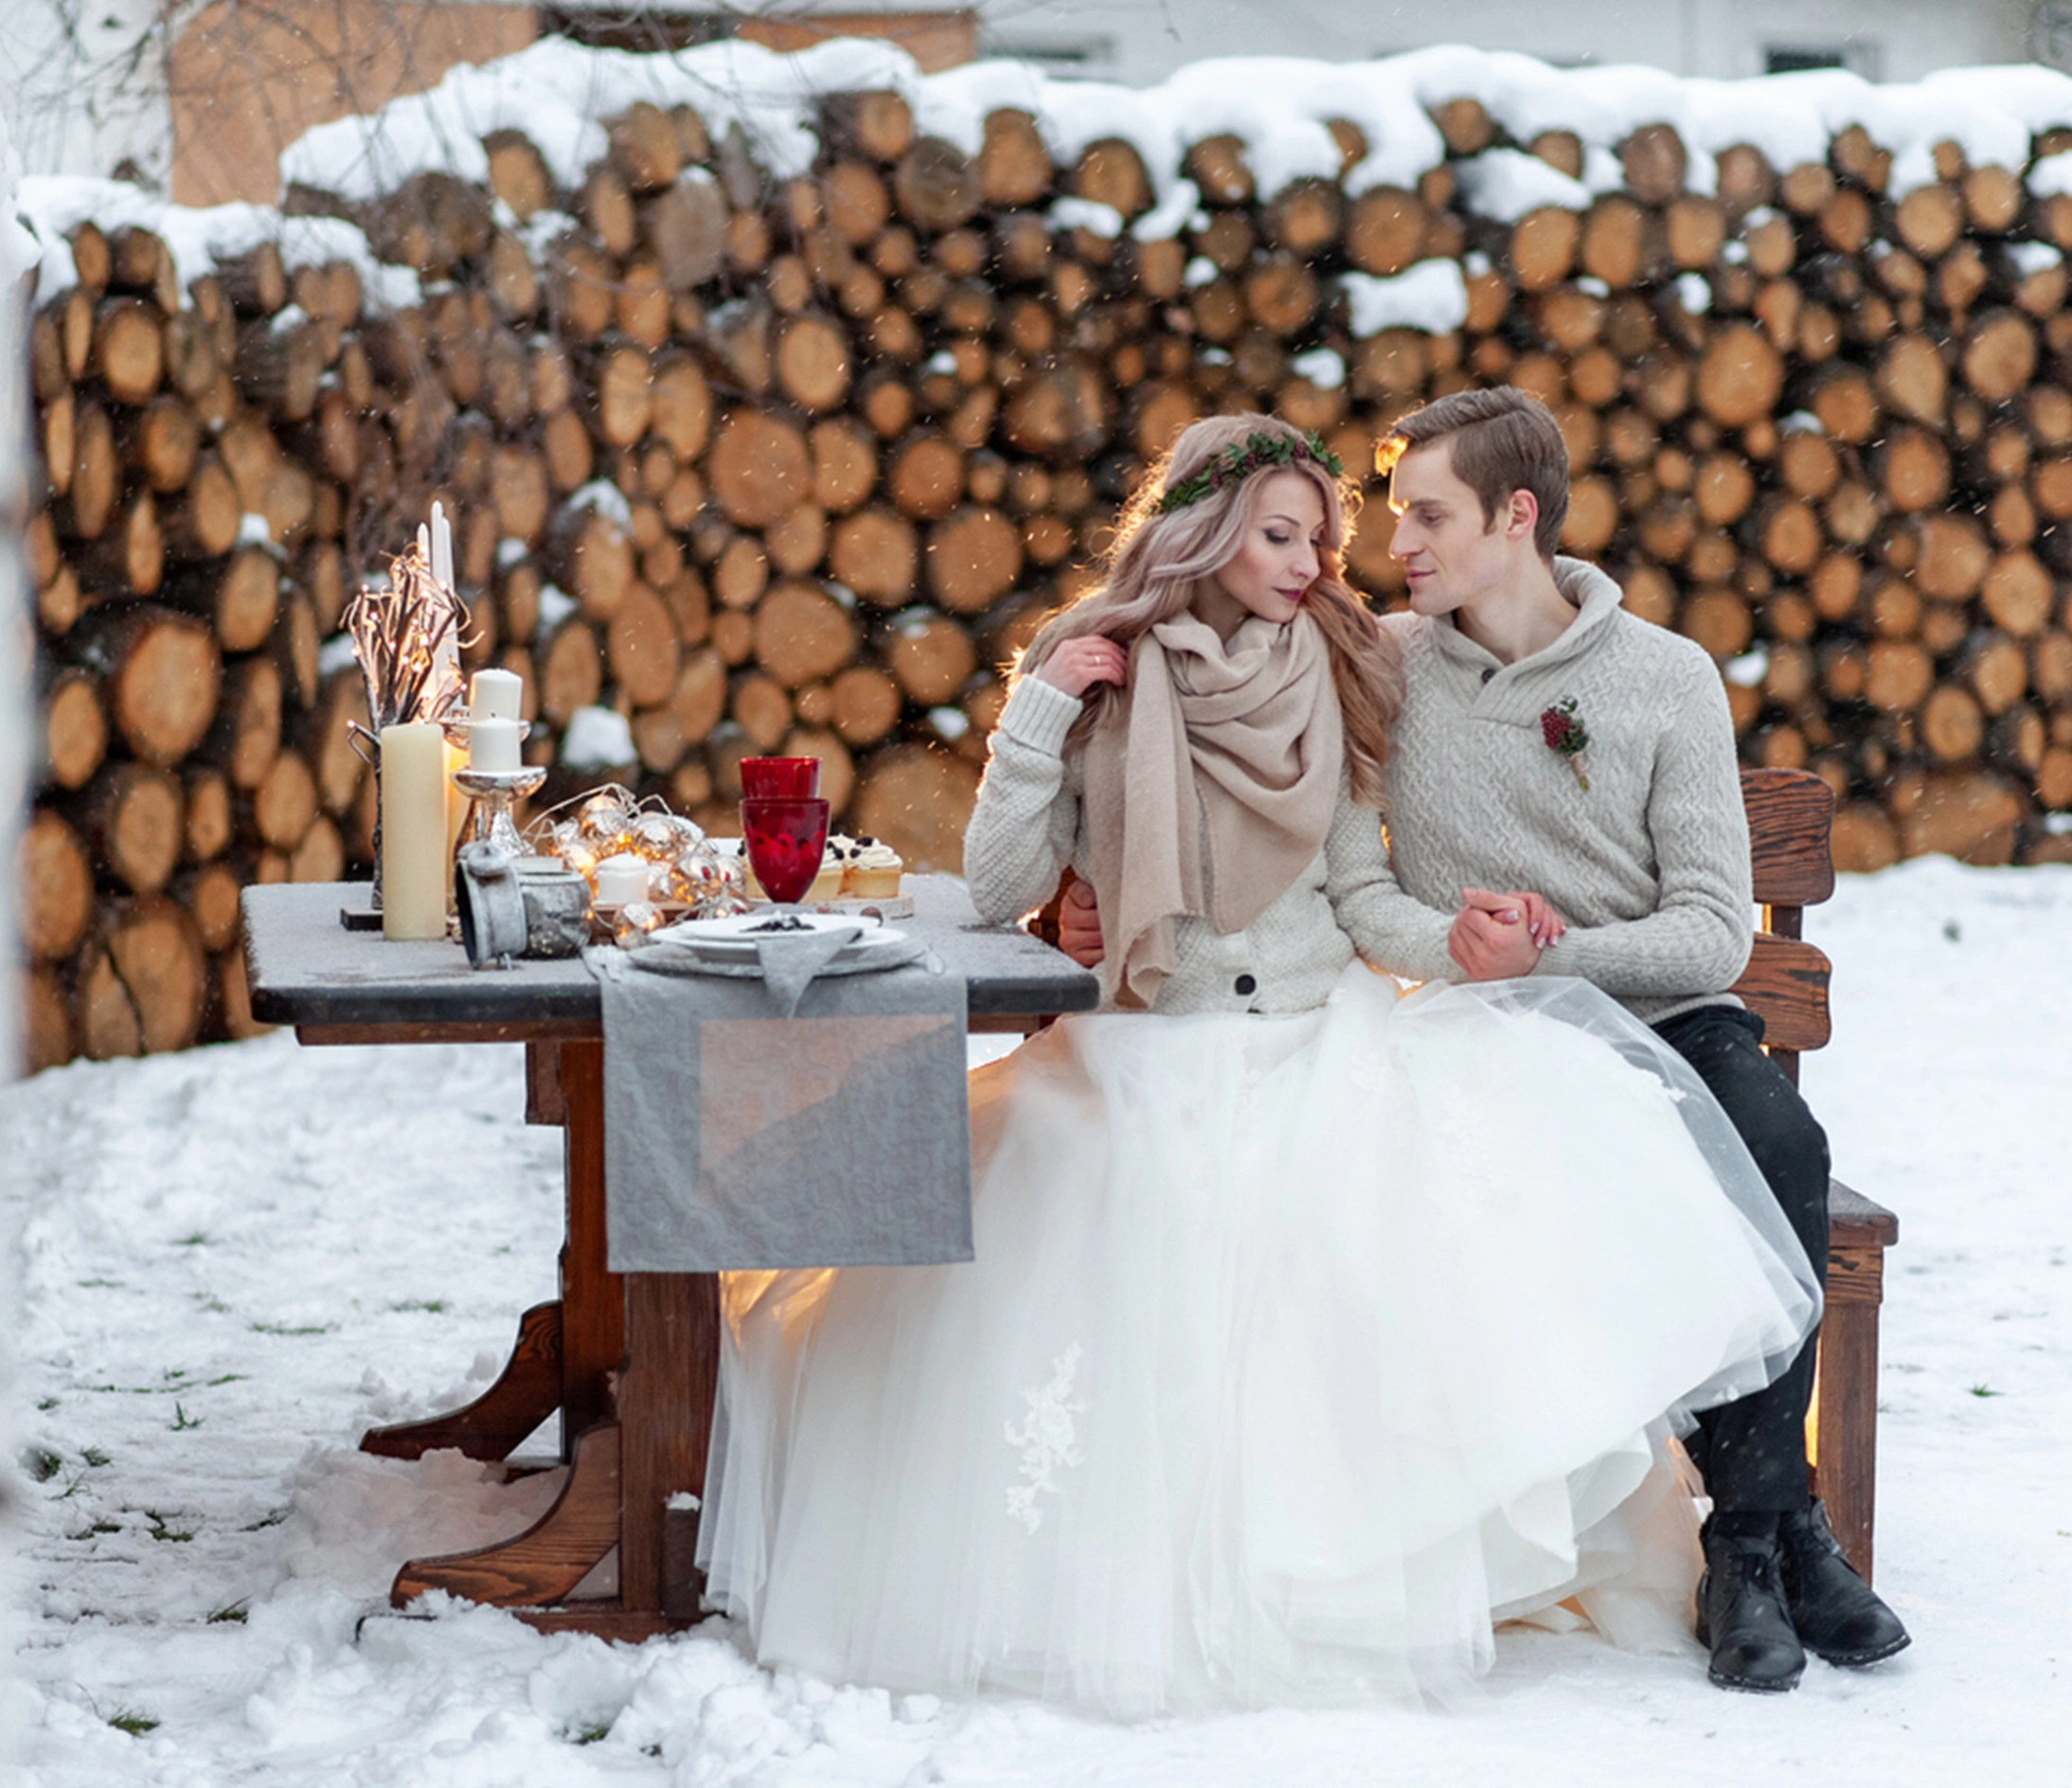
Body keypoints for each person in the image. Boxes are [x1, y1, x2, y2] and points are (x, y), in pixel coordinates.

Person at [696, 413, 1821, 1715]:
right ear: (1208, 529)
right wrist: (1043, 720)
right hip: (1149, 1045)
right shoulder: (1099, 668)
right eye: (1284, 536)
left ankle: (1731, 1538)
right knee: (1093, 1189)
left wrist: (1456, 947)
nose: (1318, 563)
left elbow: (1360, 897)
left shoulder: (1334, 665)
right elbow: (1005, 882)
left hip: (1312, 1030)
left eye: (1324, 539)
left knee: (1374, 1200)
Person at [1058, 389, 1912, 1693]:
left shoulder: (1667, 678)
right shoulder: (1382, 661)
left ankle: (1754, 1538)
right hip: (1488, 1025)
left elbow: (1710, 937)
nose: (1399, 544)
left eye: (1430, 516)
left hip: (1654, 1015)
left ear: (1518, 518)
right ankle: (1774, 1536)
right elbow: (1235, 683)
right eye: (1400, 517)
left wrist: (1558, 951)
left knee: (1780, 1134)